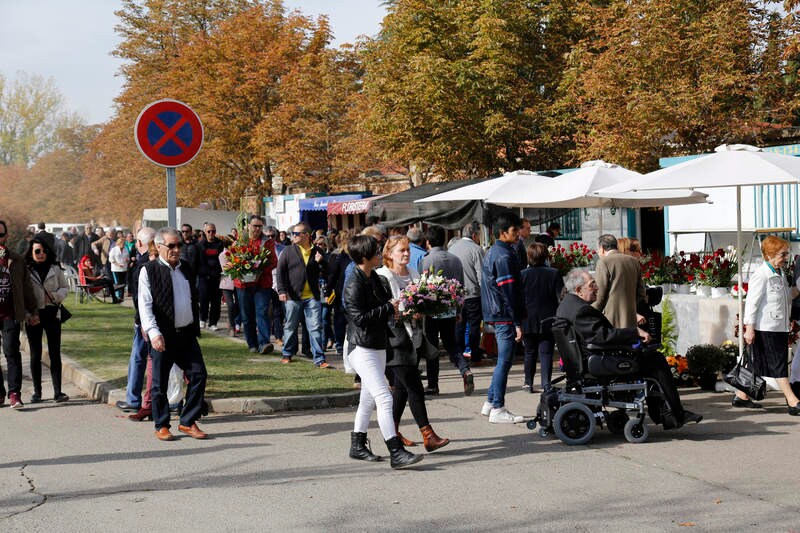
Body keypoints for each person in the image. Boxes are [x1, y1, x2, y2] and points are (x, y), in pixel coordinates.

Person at [557, 268, 702, 428]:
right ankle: (674, 414)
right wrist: (634, 333)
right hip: (597, 361)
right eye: (592, 285)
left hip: (586, 359)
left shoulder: (566, 305)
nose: (597, 288)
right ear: (579, 290)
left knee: (649, 356)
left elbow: (599, 335)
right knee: (656, 359)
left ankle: (664, 412)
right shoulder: (581, 310)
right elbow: (603, 337)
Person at [344, 234, 423, 469]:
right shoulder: (354, 282)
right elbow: (358, 318)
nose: (380, 255)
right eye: (377, 252)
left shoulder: (372, 277)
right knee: (384, 397)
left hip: (378, 343)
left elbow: (386, 303)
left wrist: (395, 310)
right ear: (366, 257)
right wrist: (387, 309)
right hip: (362, 347)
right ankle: (395, 450)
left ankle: (357, 445)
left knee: (367, 399)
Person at [377, 236, 451, 451]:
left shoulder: (413, 274)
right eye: (402, 250)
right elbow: (385, 310)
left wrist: (426, 308)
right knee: (415, 387)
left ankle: (394, 432)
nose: (407, 254)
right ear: (389, 253)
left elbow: (422, 300)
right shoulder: (383, 277)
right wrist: (403, 312)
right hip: (395, 340)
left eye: (408, 250)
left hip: (415, 337)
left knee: (400, 389)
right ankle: (428, 435)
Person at [138, 227, 209, 441]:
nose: (176, 249)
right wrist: (153, 333)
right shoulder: (148, 270)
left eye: (179, 245)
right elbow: (145, 305)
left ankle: (187, 421)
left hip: (186, 333)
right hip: (163, 334)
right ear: (159, 247)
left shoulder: (185, 268)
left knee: (198, 374)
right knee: (159, 382)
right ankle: (161, 424)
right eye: (171, 246)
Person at [737, 235, 800, 414]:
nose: (786, 258)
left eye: (786, 254)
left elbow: (786, 295)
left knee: (758, 363)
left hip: (778, 326)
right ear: (770, 255)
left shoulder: (779, 273)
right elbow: (751, 303)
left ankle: (741, 396)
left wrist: (797, 289)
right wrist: (748, 327)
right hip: (767, 327)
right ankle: (793, 401)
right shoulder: (761, 274)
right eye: (782, 254)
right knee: (778, 364)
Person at [480, 212, 526, 423]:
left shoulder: (494, 252)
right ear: (502, 233)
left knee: (503, 360)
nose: (517, 234)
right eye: (514, 230)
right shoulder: (504, 256)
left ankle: (490, 402)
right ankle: (498, 407)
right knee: (504, 361)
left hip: (497, 312)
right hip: (504, 314)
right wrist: (517, 320)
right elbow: (510, 292)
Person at [420, 225, 473, 395]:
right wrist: (458, 310)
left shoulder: (426, 260)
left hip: (432, 310)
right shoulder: (455, 259)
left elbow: (422, 286)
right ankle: (465, 369)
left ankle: (433, 384)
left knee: (432, 346)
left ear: (428, 241)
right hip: (450, 309)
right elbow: (460, 287)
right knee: (451, 344)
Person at [275, 222, 329, 367]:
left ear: (306, 235)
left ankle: (320, 359)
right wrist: (281, 291)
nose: (293, 236)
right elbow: (280, 272)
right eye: (292, 233)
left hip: (312, 297)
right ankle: (287, 353)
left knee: (315, 328)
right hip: (293, 296)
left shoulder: (317, 251)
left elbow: (327, 272)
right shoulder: (288, 251)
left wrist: (321, 262)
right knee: (290, 326)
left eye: (296, 234)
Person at [116, 227, 156, 417]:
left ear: (139, 243)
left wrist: (140, 320)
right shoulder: (157, 261)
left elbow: (139, 296)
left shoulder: (143, 264)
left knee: (139, 358)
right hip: (154, 319)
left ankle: (134, 398)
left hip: (145, 320)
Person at [24, 237, 70, 404]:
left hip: (52, 313)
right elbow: (21, 296)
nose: (41, 254)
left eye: (44, 251)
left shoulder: (55, 268)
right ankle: (37, 392)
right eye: (37, 251)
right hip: (33, 315)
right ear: (31, 252)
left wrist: (55, 296)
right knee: (35, 354)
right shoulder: (26, 270)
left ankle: (58, 392)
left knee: (54, 353)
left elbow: (65, 288)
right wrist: (29, 315)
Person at [0, 220, 40, 408]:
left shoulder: (16, 260)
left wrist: (32, 311)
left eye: (1, 235)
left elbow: (26, 288)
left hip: (10, 314)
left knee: (11, 352)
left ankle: (14, 393)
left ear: (6, 237)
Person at [520, 242, 563, 392]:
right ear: (545, 256)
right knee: (546, 352)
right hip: (548, 318)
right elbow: (560, 297)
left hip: (527, 319)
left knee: (529, 352)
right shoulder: (554, 273)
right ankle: (546, 383)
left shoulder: (522, 275)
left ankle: (528, 383)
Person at [235, 215, 278, 354]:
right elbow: (233, 259)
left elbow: (273, 261)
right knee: (247, 316)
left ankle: (264, 343)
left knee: (262, 313)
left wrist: (259, 269)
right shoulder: (241, 241)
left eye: (260, 226)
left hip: (262, 284)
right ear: (248, 226)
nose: (257, 229)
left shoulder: (267, 242)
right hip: (243, 284)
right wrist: (242, 269)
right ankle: (252, 344)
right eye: (255, 226)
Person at [449, 221, 486, 364]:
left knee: (459, 325)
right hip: (473, 294)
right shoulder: (476, 249)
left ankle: (457, 355)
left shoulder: (452, 248)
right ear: (475, 235)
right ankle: (475, 354)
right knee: (474, 325)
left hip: (455, 294)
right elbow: (481, 275)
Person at [593, 234, 646, 329]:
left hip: (610, 320)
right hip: (631, 321)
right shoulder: (634, 262)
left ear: (602, 248)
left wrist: (590, 313)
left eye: (598, 250)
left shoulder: (603, 262)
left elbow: (599, 295)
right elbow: (641, 293)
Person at [197, 222, 224, 331]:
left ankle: (213, 323)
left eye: (213, 231)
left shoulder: (220, 243)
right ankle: (202, 319)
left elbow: (223, 259)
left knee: (216, 301)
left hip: (216, 277)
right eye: (209, 231)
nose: (211, 233)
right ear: (205, 232)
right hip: (204, 277)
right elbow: (199, 261)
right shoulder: (200, 245)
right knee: (203, 299)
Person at [109, 237, 129, 302]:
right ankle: (117, 297)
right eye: (122, 243)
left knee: (123, 283)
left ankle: (121, 297)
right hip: (116, 269)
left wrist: (127, 260)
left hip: (124, 269)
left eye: (124, 243)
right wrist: (118, 264)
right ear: (119, 243)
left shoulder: (125, 249)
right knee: (117, 283)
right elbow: (111, 259)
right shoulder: (114, 249)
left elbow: (127, 258)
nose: (123, 244)